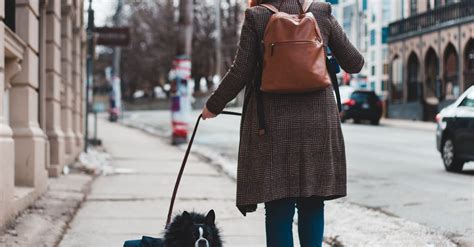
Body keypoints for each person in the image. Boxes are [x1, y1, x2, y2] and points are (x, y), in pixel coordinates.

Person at [201, 0, 364, 246]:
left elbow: (240, 72)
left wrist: (213, 106)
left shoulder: (257, 17)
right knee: (312, 202)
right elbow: (355, 62)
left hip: (271, 125)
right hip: (318, 124)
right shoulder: (320, 12)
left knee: (278, 206)